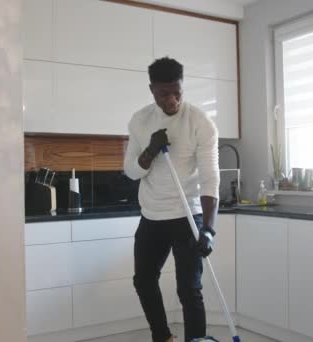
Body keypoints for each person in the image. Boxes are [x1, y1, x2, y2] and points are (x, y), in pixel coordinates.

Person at [123, 57, 220, 342]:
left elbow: (210, 177)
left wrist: (209, 228)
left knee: (189, 289)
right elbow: (131, 171)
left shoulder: (200, 122)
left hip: (187, 215)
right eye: (164, 93)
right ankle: (162, 337)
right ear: (151, 89)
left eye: (177, 91)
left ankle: (196, 341)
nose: (172, 99)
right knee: (143, 281)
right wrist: (151, 149)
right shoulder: (140, 121)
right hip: (152, 215)